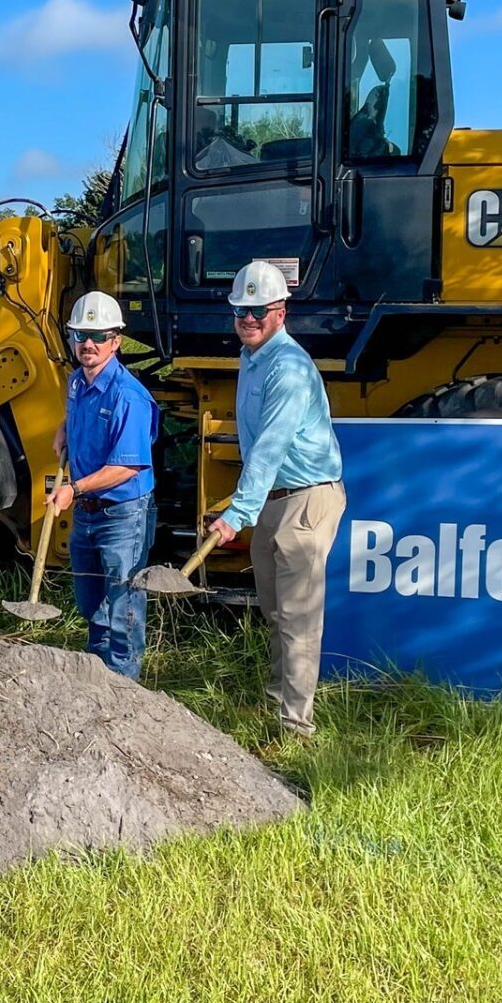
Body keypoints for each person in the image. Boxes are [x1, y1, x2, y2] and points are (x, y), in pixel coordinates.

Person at [204, 260, 345, 737]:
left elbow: (270, 446)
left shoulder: (286, 368)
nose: (248, 318)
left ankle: (295, 730)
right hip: (274, 498)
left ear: (281, 312)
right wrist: (246, 503)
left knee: (298, 620)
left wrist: (235, 514)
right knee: (275, 611)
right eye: (241, 310)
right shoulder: (252, 357)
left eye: (258, 310)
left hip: (307, 500)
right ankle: (275, 703)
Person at [48, 291, 158, 678]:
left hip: (122, 516)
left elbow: (127, 467)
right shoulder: (77, 382)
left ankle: (125, 691)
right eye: (80, 335)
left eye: (97, 336)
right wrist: (65, 429)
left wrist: (73, 489)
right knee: (91, 604)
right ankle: (97, 680)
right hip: (88, 514)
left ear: (116, 341)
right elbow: (82, 417)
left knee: (123, 608)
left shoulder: (128, 396)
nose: (87, 344)